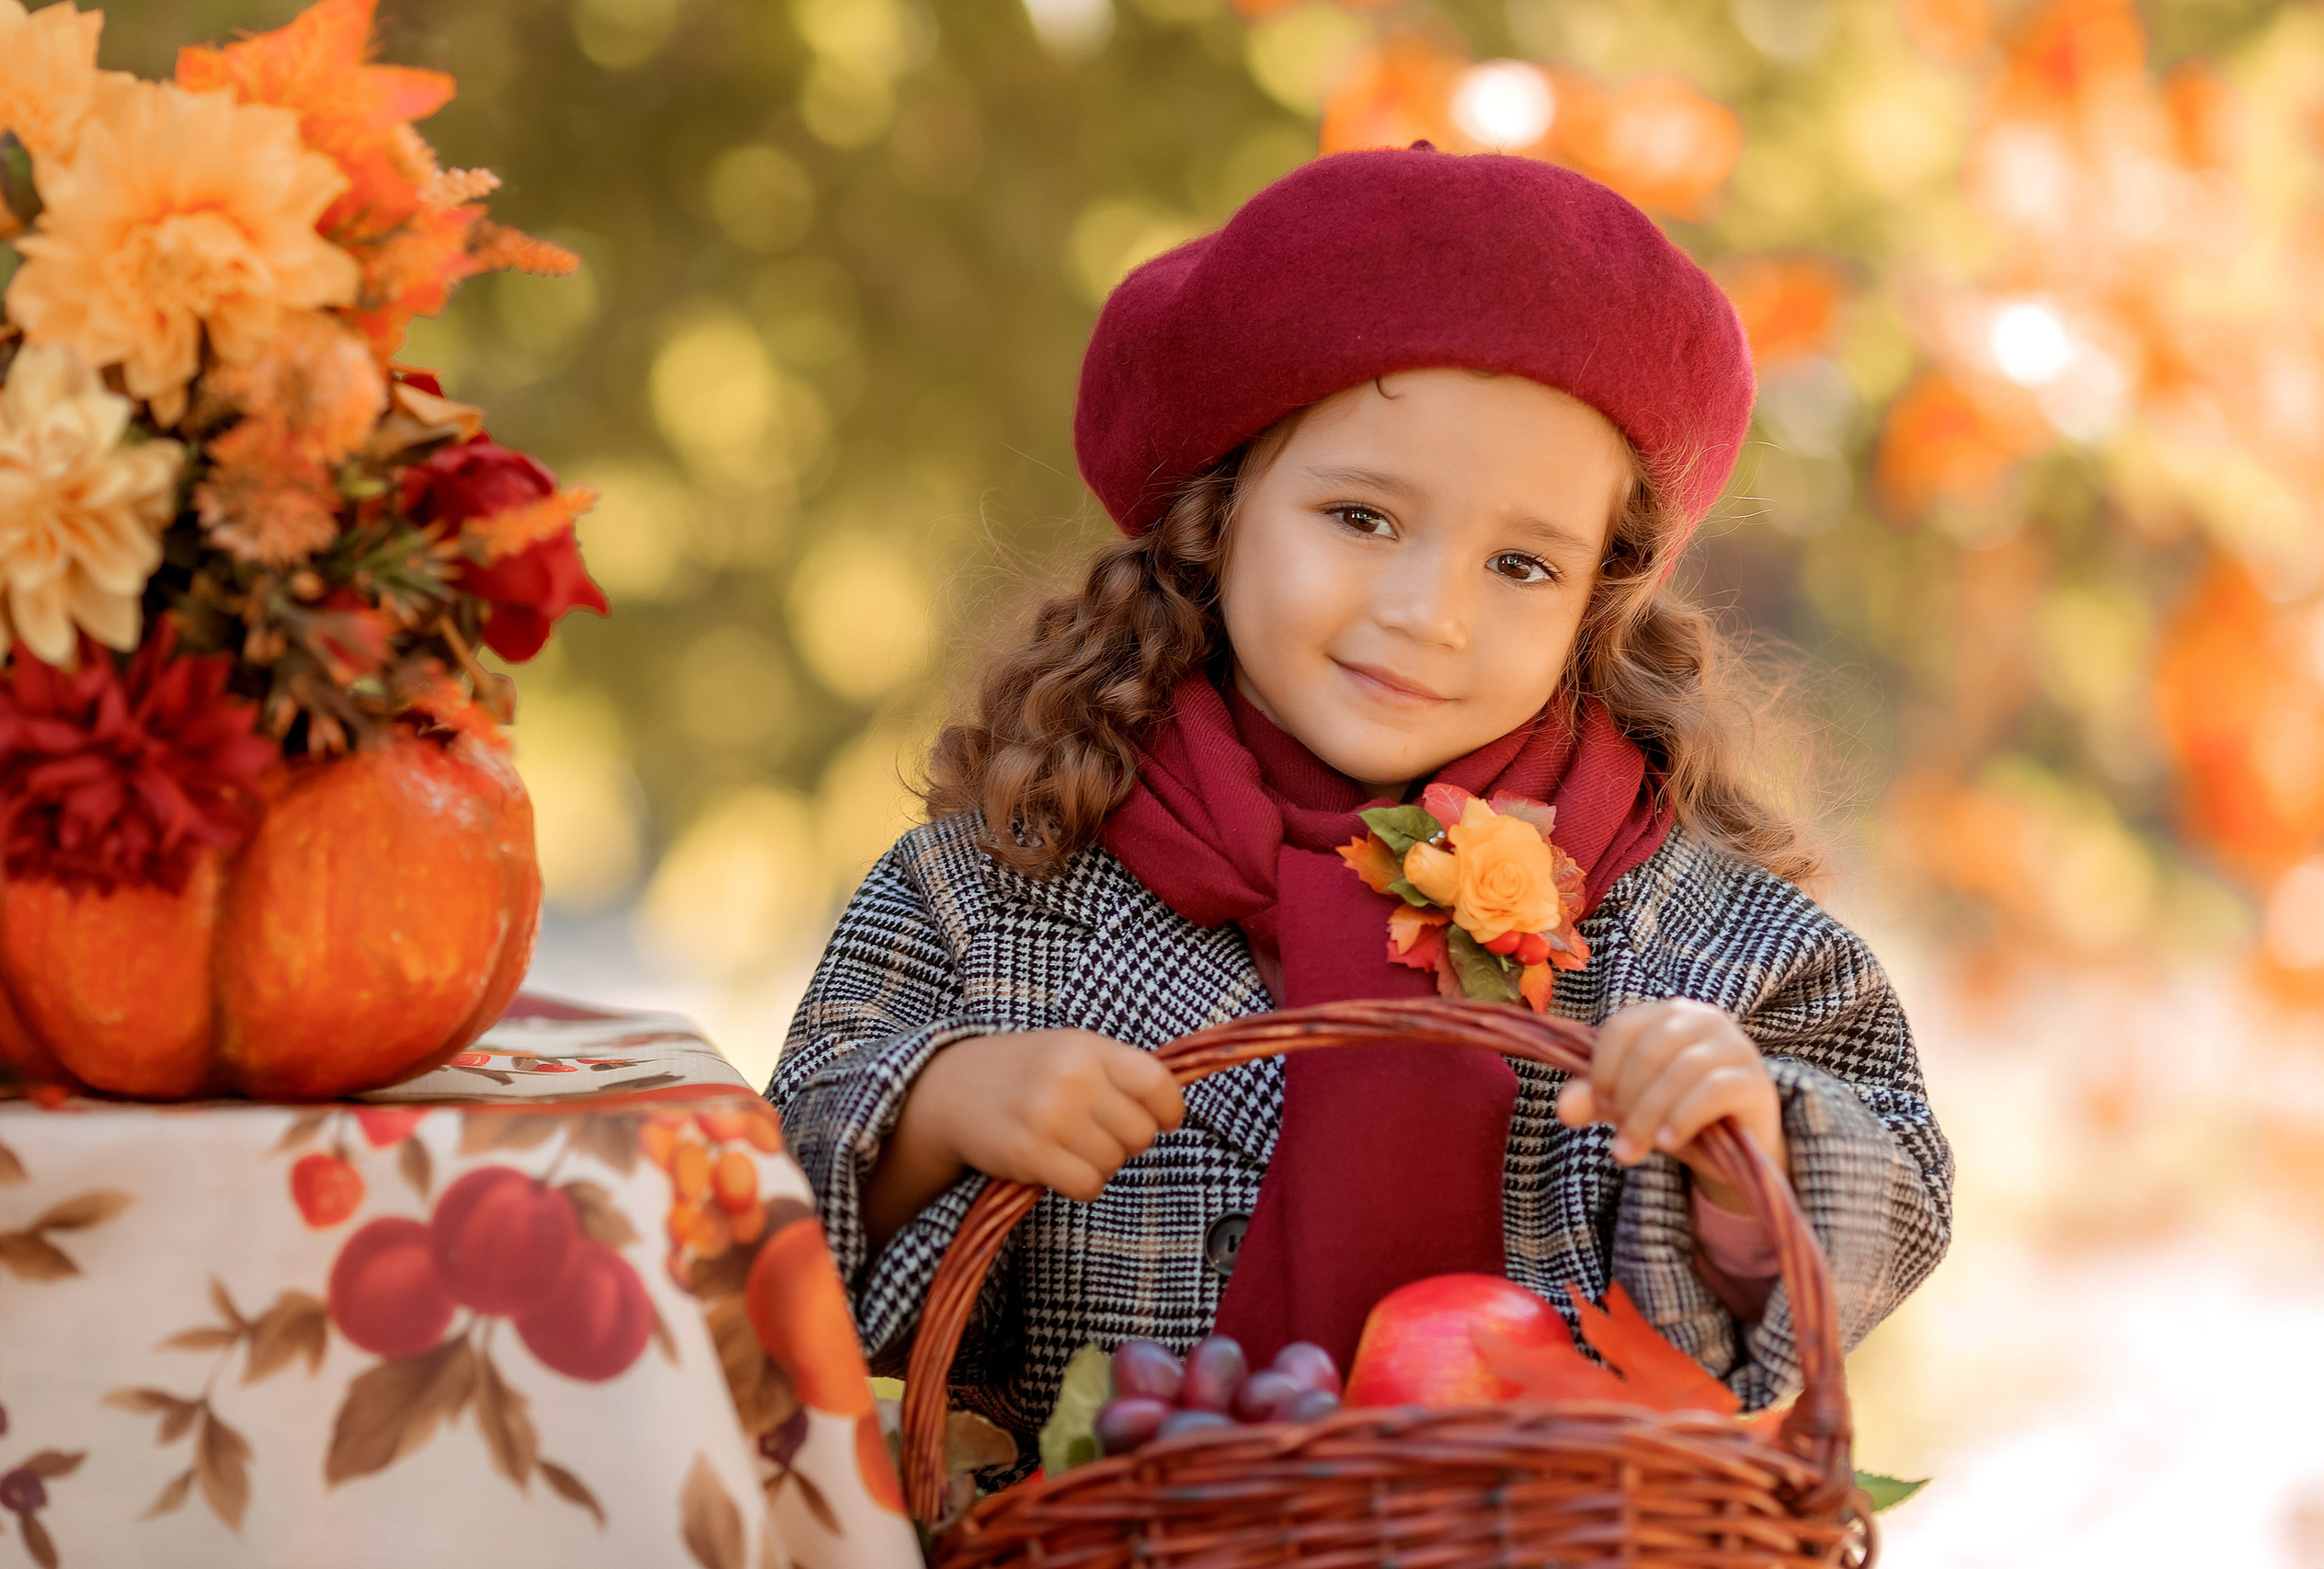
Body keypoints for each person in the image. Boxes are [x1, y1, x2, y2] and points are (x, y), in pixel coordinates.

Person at [769, 145, 1951, 1449]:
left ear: (1595, 602)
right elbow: (744, 1231)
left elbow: (1884, 1204)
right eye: (1363, 518)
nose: (1428, 613)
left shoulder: (1709, 943)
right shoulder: (992, 890)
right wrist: (928, 1118)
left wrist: (1746, 1164)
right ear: (1217, 514)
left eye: (1519, 562)